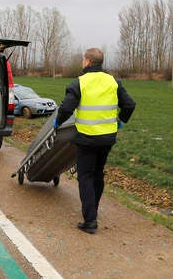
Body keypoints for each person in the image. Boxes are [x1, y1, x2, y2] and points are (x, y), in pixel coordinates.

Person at [54, 47, 136, 234]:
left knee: (86, 176)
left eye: (84, 59)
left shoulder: (80, 82)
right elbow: (130, 104)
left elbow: (66, 108)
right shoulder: (113, 81)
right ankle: (93, 211)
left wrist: (57, 122)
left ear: (88, 62)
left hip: (86, 139)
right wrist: (121, 121)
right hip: (107, 139)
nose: (83, 62)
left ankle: (90, 220)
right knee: (98, 174)